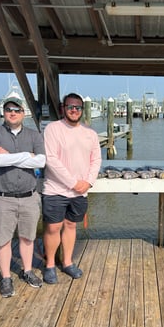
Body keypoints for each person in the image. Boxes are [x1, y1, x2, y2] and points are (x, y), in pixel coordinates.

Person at [0, 97, 46, 297]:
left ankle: (27, 271)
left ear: (23, 113)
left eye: (17, 110)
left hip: (29, 196)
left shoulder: (35, 135)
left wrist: (8, 156)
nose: (13, 112)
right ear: (4, 112)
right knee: (2, 239)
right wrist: (27, 156)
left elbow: (42, 161)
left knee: (28, 237)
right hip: (2, 197)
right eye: (9, 109)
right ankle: (6, 277)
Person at [42, 93, 102, 284]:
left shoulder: (90, 133)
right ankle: (50, 264)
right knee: (53, 227)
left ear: (82, 110)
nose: (74, 110)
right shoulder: (52, 129)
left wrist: (88, 181)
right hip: (55, 189)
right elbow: (51, 159)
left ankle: (67, 262)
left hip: (80, 191)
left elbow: (96, 160)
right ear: (63, 108)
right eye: (70, 107)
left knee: (71, 226)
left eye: (77, 107)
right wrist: (72, 182)